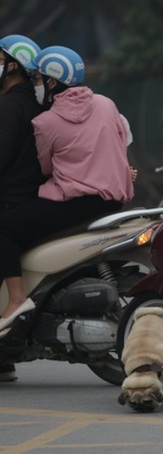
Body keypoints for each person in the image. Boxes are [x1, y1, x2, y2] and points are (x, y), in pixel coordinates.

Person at [0, 45, 134, 337]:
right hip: (113, 202)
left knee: (6, 229)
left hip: (75, 203)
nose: (35, 84)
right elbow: (121, 141)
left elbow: (46, 167)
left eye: (37, 78)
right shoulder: (105, 104)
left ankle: (16, 299)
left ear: (51, 81)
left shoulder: (45, 122)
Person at [0, 34, 43, 382]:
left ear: (13, 65)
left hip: (11, 197)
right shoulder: (32, 103)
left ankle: (14, 302)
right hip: (29, 194)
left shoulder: (11, 105)